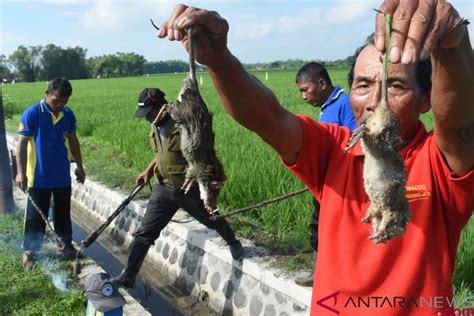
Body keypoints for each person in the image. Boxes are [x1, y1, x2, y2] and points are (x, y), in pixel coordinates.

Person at [158, 1, 473, 315]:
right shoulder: (333, 149)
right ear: (349, 93)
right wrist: (217, 58)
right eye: (363, 85)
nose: (376, 102)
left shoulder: (441, 162)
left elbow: (461, 123)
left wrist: (452, 43)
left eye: (396, 85)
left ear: (424, 101)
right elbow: (267, 117)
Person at [113, 88, 244, 288]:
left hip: (187, 187)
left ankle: (232, 241)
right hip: (163, 188)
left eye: (148, 112)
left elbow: (202, 155)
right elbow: (161, 153)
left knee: (211, 218)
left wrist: (207, 182)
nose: (146, 118)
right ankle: (129, 275)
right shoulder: (155, 126)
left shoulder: (185, 126)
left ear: (160, 108)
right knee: (144, 233)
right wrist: (148, 170)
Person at [294, 62, 356, 287]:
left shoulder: (345, 103)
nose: (303, 97)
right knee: (319, 227)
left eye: (305, 90)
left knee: (335, 229)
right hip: (325, 182)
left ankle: (336, 275)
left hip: (341, 184)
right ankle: (321, 272)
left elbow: (352, 140)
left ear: (321, 84)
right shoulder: (328, 106)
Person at [16, 77, 86, 269]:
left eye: (64, 101)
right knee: (35, 217)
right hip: (37, 176)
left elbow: (73, 141)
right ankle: (30, 251)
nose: (59, 105)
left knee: (63, 213)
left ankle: (65, 244)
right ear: (47, 94)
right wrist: (21, 173)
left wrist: (80, 166)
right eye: (56, 101)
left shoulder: (68, 115)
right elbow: (21, 144)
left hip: (61, 174)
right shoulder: (32, 114)